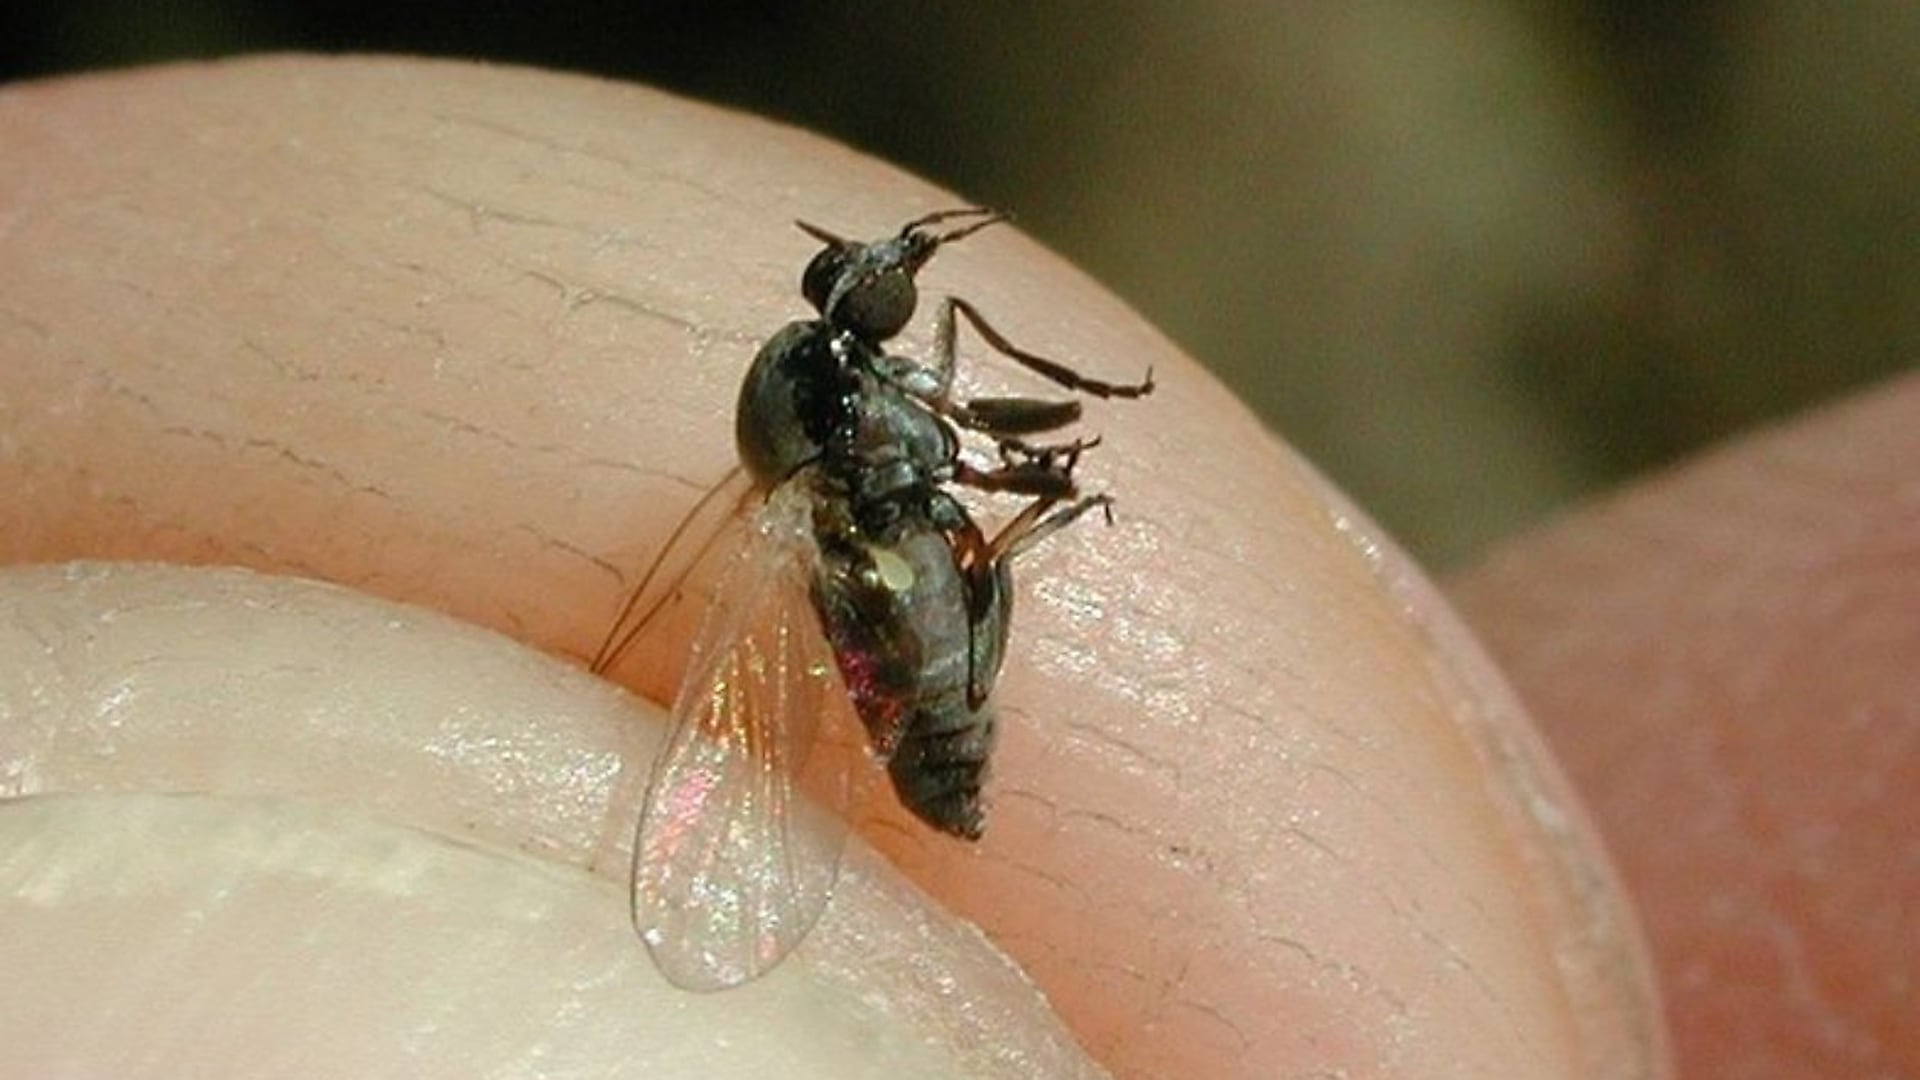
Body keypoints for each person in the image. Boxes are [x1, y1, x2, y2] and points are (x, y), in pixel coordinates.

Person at [2, 56, 1906, 1078]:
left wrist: (997, 459)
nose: (890, 300)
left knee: (1000, 488)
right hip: (875, 596)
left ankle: (968, 643)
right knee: (977, 524)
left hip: (891, 551)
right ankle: (953, 693)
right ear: (856, 339)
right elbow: (911, 463)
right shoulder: (848, 435)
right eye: (879, 296)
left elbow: (953, 421)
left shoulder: (859, 388)